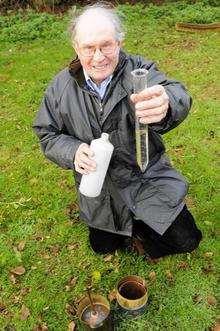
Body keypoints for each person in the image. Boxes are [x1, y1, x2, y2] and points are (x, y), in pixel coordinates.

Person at [33, 3, 202, 259]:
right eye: (89, 48)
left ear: (119, 43)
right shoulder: (60, 88)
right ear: (76, 47)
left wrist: (166, 103)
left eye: (106, 45)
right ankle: (131, 225)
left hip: (145, 177)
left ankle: (142, 227)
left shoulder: (139, 73)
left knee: (187, 240)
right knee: (103, 247)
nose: (98, 57)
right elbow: (47, 133)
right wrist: (73, 151)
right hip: (98, 188)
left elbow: (176, 92)